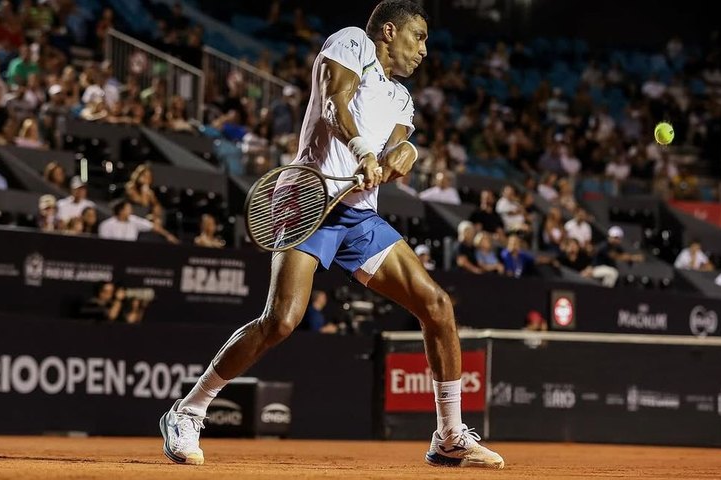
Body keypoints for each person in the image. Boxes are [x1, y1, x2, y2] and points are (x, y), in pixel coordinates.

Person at [160, 1, 504, 470]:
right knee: (281, 321)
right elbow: (333, 101)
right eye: (419, 36)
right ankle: (187, 411)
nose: (425, 49)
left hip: (358, 216)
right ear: (389, 31)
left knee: (437, 306)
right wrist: (364, 151)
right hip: (308, 198)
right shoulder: (352, 42)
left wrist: (404, 154)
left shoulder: (402, 98)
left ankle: (448, 436)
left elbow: (397, 146)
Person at [99, 199, 178, 244]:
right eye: (128, 209)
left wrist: (168, 235)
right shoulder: (106, 225)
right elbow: (104, 243)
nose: (131, 211)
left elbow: (153, 227)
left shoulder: (134, 220)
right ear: (121, 211)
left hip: (131, 252)